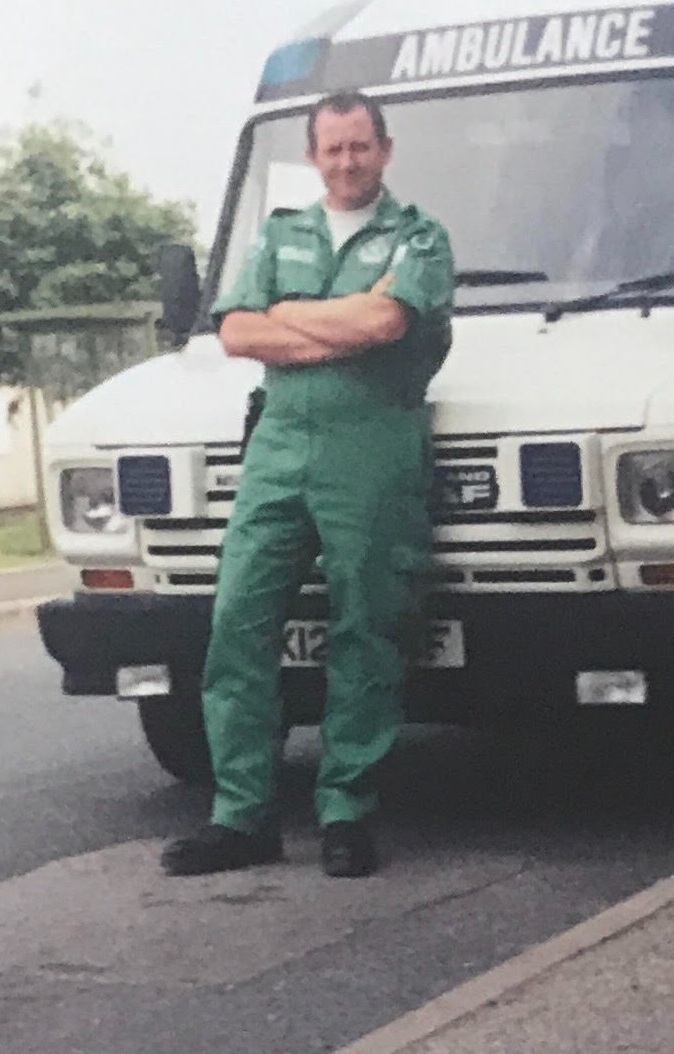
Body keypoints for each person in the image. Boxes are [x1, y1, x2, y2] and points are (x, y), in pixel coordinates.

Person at [161, 90, 455, 878]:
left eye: (360, 147)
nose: (346, 161)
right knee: (237, 620)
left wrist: (294, 317)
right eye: (332, 149)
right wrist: (338, 321)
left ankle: (346, 811)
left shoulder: (418, 236)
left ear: (384, 150)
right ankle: (240, 815)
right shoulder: (282, 232)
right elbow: (234, 329)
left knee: (366, 626)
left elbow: (386, 325)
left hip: (372, 449)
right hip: (280, 446)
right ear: (314, 155)